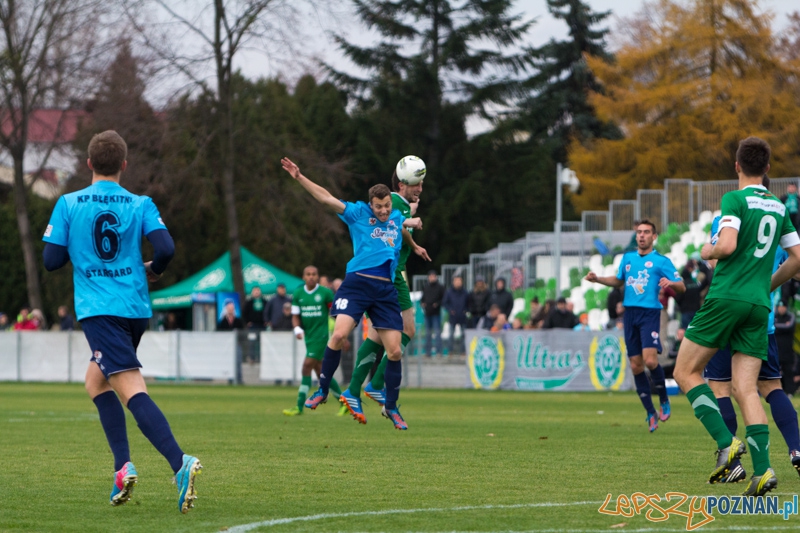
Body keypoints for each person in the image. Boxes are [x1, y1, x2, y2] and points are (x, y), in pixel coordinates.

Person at [41, 130, 201, 512]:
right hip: (134, 308)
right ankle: (122, 467)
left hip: (99, 310)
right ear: (124, 166)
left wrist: (80, 255)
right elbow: (165, 248)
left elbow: (51, 260)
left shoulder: (68, 203)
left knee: (130, 388)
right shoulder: (140, 203)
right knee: (96, 382)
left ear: (89, 163)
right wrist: (154, 269)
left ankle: (180, 463)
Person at [674, 137, 800, 496]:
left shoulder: (734, 199)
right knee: (747, 389)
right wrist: (767, 284)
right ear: (769, 168)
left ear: (736, 165)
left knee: (685, 371)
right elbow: (797, 258)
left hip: (727, 297)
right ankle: (763, 471)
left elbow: (726, 246)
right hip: (759, 305)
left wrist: (707, 248)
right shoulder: (778, 206)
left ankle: (725, 442)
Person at [280, 157, 429, 430]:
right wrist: (300, 177)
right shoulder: (358, 213)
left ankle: (391, 407)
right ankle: (324, 391)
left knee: (395, 351)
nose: (384, 211)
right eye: (379, 207)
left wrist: (413, 229)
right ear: (370, 205)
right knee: (338, 334)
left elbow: (403, 219)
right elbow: (325, 198)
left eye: (387, 206)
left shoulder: (397, 215)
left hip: (384, 289)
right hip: (357, 284)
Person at [701, 196, 800, 486]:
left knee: (720, 386)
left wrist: (710, 250)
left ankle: (731, 461)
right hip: (761, 316)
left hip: (727, 313)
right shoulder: (779, 219)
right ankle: (796, 450)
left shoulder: (727, 217)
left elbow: (717, 264)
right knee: (770, 387)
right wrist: (769, 284)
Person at [342, 160, 426, 423]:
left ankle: (356, 388)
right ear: (401, 184)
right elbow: (400, 223)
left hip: (388, 275)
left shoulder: (398, 205)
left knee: (378, 334)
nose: (420, 189)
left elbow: (401, 228)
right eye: (416, 184)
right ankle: (374, 385)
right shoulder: (395, 203)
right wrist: (411, 222)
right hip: (393, 276)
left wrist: (413, 246)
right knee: (407, 330)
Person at [586, 219, 685, 432]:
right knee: (635, 365)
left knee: (650, 361)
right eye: (639, 232)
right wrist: (598, 279)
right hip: (630, 314)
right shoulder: (627, 258)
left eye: (646, 232)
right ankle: (650, 412)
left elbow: (682, 287)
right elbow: (619, 280)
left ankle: (664, 399)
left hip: (650, 313)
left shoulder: (661, 261)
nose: (641, 235)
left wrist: (672, 284)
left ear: (654, 236)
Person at [283, 265, 347, 416]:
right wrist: (297, 329)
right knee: (321, 372)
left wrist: (342, 332)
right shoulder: (298, 293)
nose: (311, 276)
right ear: (304, 277)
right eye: (308, 274)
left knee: (306, 366)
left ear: (317, 277)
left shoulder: (325, 293)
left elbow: (336, 313)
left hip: (322, 336)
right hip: (309, 337)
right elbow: (295, 316)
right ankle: (344, 403)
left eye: (314, 274)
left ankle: (299, 406)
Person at [674, 259, 711, 328]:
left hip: (685, 311)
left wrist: (681, 306)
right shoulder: (695, 284)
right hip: (695, 311)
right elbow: (703, 286)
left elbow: (677, 298)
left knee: (685, 331)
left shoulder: (682, 286)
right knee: (694, 330)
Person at [774, 301, 797, 395]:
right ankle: (775, 391)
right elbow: (771, 327)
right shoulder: (774, 317)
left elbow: (790, 327)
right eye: (780, 307)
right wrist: (783, 326)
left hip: (787, 351)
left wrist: (777, 327)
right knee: (774, 373)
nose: (781, 309)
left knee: (788, 372)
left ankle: (790, 392)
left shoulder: (790, 316)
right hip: (776, 350)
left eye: (783, 307)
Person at [421, 270, 445, 356]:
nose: (431, 278)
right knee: (428, 334)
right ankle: (428, 352)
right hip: (427, 313)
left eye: (433, 276)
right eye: (430, 276)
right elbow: (423, 297)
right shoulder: (426, 287)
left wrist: (437, 304)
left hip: (436, 313)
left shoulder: (440, 287)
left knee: (437, 333)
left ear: (436, 277)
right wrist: (422, 303)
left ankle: (439, 352)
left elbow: (443, 299)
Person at [442, 275, 468, 354]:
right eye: (456, 281)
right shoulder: (449, 292)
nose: (458, 282)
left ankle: (463, 351)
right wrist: (450, 310)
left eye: (459, 281)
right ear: (453, 282)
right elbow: (444, 303)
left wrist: (465, 310)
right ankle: (451, 351)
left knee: (463, 335)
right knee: (451, 335)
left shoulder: (465, 292)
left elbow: (469, 303)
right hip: (453, 316)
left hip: (462, 316)